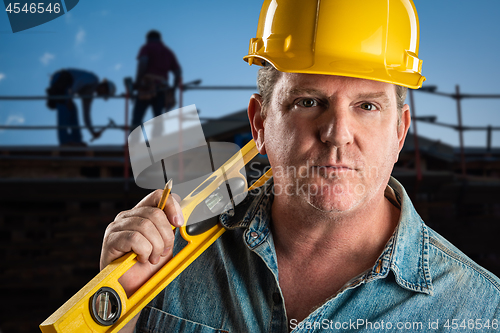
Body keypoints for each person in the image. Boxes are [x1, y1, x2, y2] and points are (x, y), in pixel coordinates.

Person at [101, 0, 500, 332]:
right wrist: (117, 310)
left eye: (367, 106)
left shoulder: (482, 312)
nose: (337, 133)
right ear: (259, 123)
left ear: (400, 131)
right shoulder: (169, 259)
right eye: (308, 102)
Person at [46, 69, 116, 146]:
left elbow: (86, 116)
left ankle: (76, 140)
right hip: (61, 79)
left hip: (67, 86)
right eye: (104, 94)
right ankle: (65, 142)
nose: (102, 96)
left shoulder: (89, 95)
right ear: (104, 87)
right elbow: (78, 82)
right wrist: (69, 97)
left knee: (73, 109)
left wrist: (92, 132)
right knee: (65, 105)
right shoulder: (93, 79)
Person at [131, 30, 182, 135]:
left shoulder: (147, 47)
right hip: (162, 88)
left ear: (148, 39)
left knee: (137, 117)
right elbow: (178, 72)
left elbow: (143, 62)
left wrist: (137, 82)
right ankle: (158, 144)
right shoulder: (168, 52)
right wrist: (173, 89)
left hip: (146, 86)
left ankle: (134, 144)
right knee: (158, 118)